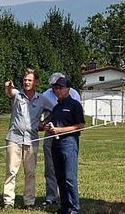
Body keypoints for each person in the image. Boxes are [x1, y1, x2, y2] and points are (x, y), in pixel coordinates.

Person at [2, 68, 47, 209]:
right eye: (25, 80)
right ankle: (8, 202)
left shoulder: (42, 99)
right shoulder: (17, 94)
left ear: (36, 82)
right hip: (14, 138)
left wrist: (43, 124)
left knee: (30, 172)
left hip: (31, 140)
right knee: (11, 171)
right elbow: (9, 92)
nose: (26, 82)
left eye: (30, 80)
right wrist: (8, 86)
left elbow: (53, 110)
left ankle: (29, 202)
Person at [41, 72, 81, 209]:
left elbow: (80, 126)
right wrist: (47, 127)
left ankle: (74, 207)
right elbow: (49, 121)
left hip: (69, 143)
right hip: (55, 144)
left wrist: (60, 130)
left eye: (61, 88)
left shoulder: (75, 104)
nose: (58, 91)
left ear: (67, 89)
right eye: (56, 88)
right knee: (60, 177)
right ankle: (64, 207)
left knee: (70, 178)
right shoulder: (57, 107)